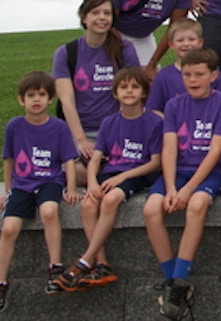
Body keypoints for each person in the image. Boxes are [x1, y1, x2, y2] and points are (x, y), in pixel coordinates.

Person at [143, 48, 221, 321]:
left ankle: (178, 281)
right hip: (177, 173)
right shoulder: (174, 105)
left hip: (211, 172)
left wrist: (187, 189)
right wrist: (172, 187)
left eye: (199, 74)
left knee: (196, 204)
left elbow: (216, 151)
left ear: (213, 76)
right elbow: (169, 149)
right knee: (151, 209)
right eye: (187, 75)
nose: (193, 80)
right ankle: (174, 281)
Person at [58, 67, 163, 292]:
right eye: (123, 87)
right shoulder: (109, 122)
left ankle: (85, 259)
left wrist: (123, 177)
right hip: (110, 173)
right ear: (115, 93)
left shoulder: (154, 122)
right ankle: (102, 263)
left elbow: (155, 163)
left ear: (144, 92)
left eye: (135, 87)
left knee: (110, 199)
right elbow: (96, 158)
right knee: (88, 203)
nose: (129, 91)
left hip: (137, 174)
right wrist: (93, 182)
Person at [0, 71, 79, 315]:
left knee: (49, 211)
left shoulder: (58, 127)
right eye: (30, 95)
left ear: (50, 99)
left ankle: (55, 268)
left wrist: (69, 188)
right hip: (22, 184)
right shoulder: (15, 127)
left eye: (41, 95)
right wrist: (7, 192)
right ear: (21, 100)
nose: (36, 99)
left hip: (50, 180)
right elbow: (9, 160)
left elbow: (69, 160)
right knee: (9, 228)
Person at [52, 0, 141, 173]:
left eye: (107, 13)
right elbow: (67, 102)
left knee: (119, 167)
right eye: (96, 13)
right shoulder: (66, 53)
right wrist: (81, 141)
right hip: (80, 130)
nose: (102, 18)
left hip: (116, 129)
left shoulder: (124, 50)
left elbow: (134, 95)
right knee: (77, 172)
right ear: (84, 18)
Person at [146, 18, 221, 114]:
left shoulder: (211, 71)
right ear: (171, 44)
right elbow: (153, 109)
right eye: (180, 40)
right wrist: (170, 122)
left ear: (200, 43)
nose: (186, 44)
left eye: (191, 39)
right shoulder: (163, 76)